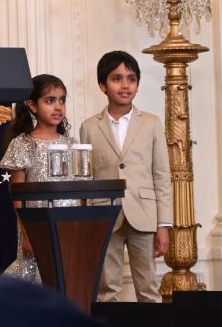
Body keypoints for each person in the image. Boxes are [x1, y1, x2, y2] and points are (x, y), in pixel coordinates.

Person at [79, 51, 172, 303]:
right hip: (104, 214)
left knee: (148, 288)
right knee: (106, 289)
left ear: (138, 85)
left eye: (131, 79)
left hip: (144, 214)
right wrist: (87, 221)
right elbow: (86, 179)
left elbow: (162, 176)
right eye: (117, 78)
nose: (125, 85)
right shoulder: (89, 127)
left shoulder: (152, 123)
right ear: (102, 85)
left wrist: (163, 225)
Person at [0, 74, 78, 284]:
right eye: (50, 101)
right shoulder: (23, 143)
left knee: (65, 279)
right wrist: (26, 232)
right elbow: (18, 194)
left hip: (68, 225)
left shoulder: (71, 144)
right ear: (32, 106)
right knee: (37, 278)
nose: (58, 107)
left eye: (62, 100)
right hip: (37, 227)